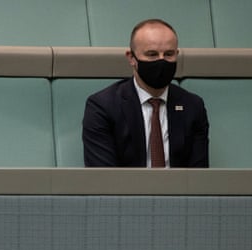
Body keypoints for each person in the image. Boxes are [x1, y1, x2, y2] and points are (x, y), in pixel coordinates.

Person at [82, 19, 209, 167]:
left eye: (169, 54)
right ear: (131, 58)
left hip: (179, 190)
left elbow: (198, 176)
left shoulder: (193, 106)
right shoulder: (103, 106)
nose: (161, 61)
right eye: (152, 54)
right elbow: (104, 177)